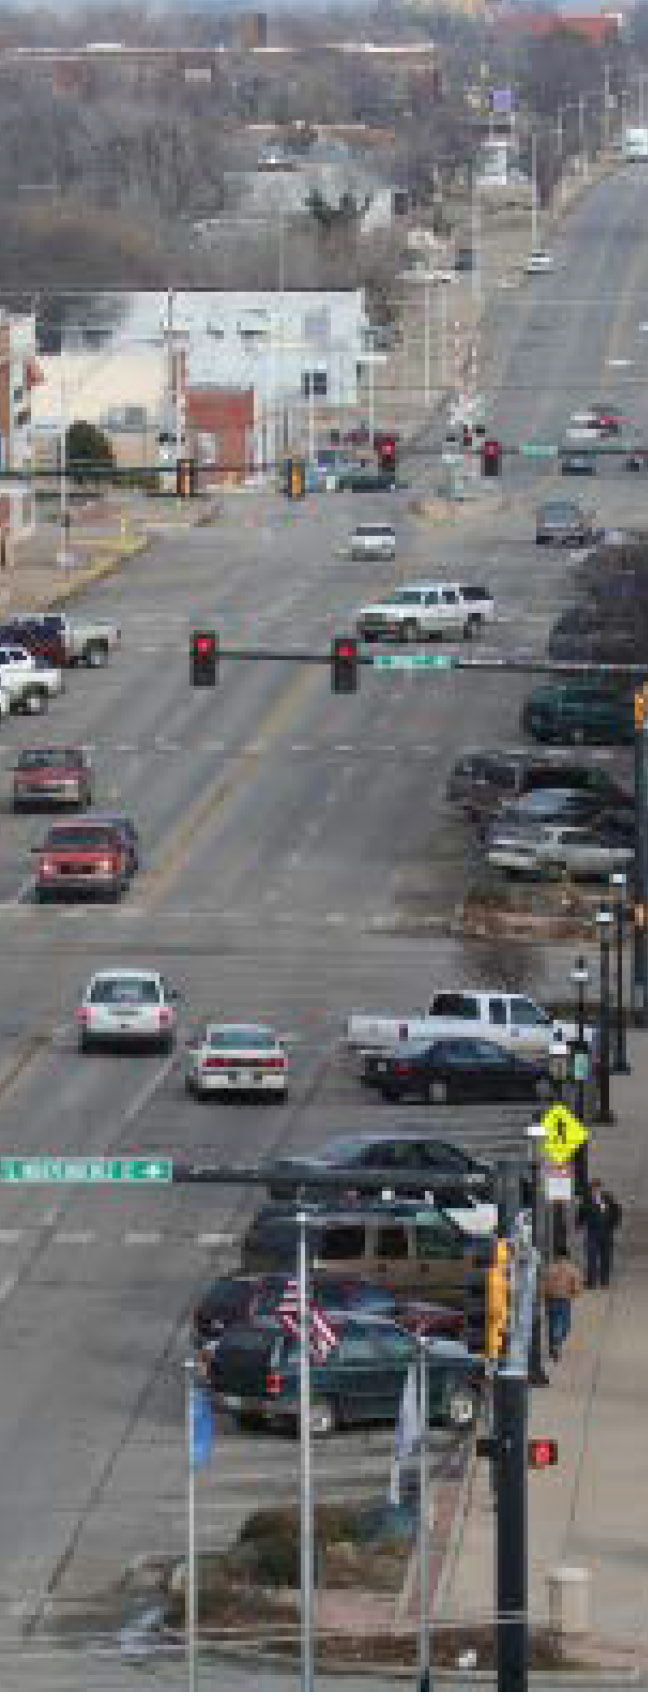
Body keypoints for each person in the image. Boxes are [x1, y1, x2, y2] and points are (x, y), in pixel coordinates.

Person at [578, 1179, 622, 1289]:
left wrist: (613, 1225)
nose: (595, 1190)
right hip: (592, 1232)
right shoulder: (587, 1200)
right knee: (591, 1257)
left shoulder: (607, 1198)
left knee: (606, 1257)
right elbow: (581, 1213)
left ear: (600, 1188)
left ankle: (604, 1280)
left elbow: (617, 1211)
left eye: (596, 1188)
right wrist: (579, 1224)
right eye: (593, 1188)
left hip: (606, 1232)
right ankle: (591, 1281)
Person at [542, 1249, 583, 1361]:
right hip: (564, 1300)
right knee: (565, 1323)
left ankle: (552, 1345)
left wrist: (544, 1296)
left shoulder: (550, 1269)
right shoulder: (572, 1269)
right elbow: (576, 1285)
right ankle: (557, 1340)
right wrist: (575, 1293)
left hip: (551, 1299)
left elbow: (544, 1284)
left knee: (552, 1322)